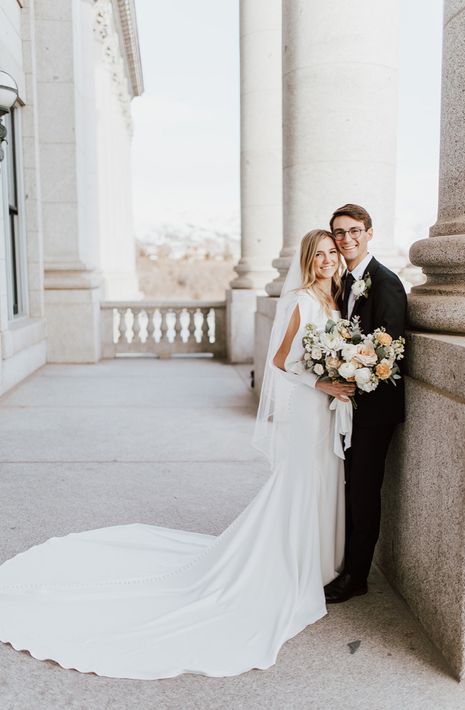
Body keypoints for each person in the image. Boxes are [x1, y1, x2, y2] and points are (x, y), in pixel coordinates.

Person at [0, 229, 353, 680]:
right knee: (302, 481)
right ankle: (295, 565)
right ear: (307, 260)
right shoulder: (303, 301)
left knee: (323, 478)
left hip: (328, 408)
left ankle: (322, 560)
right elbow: (282, 362)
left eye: (331, 253)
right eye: (318, 254)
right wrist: (322, 383)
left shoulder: (336, 300)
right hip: (310, 405)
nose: (326, 260)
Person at [323, 204, 407, 604]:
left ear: (369, 232)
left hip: (375, 412)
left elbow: (388, 349)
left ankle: (356, 577)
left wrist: (352, 371)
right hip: (349, 405)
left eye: (354, 231)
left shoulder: (386, 282)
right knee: (349, 487)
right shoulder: (345, 283)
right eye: (339, 232)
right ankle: (346, 564)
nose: (346, 239)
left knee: (363, 492)